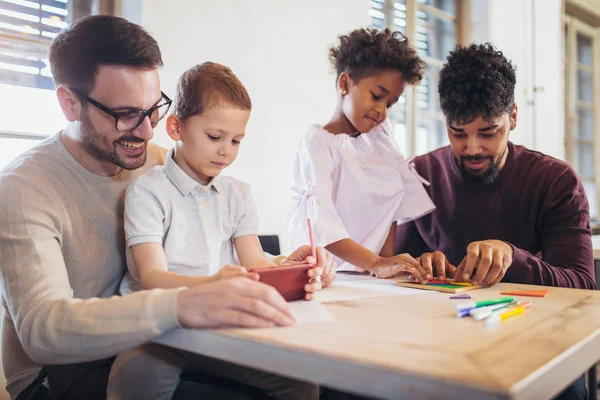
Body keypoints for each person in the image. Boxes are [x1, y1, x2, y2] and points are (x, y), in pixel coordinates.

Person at [0, 15, 334, 400]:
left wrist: (289, 267)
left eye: (153, 108)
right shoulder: (24, 187)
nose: (147, 130)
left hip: (170, 333)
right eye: (126, 113)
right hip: (62, 372)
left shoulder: (163, 161)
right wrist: (184, 304)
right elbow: (45, 333)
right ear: (70, 103)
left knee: (312, 377)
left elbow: (224, 255)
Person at [107, 62, 332, 400]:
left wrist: (296, 271)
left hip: (222, 326)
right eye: (215, 137)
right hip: (160, 328)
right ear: (176, 127)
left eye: (237, 140)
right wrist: (216, 283)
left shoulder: (238, 194)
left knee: (302, 381)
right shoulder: (147, 192)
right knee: (137, 376)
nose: (226, 151)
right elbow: (152, 277)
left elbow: (256, 264)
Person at [395, 43, 595, 399]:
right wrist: (419, 266)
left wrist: (512, 258)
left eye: (488, 132)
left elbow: (581, 286)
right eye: (458, 133)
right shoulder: (418, 174)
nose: (472, 148)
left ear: (513, 117)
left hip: (534, 343)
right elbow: (397, 271)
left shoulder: (556, 181)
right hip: (439, 342)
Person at [288, 27, 435, 281]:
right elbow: (323, 224)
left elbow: (392, 206)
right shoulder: (318, 145)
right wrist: (377, 262)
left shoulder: (381, 139)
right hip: (325, 278)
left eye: (389, 103)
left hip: (371, 278)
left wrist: (385, 264)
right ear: (344, 83)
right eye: (377, 96)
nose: (382, 111)